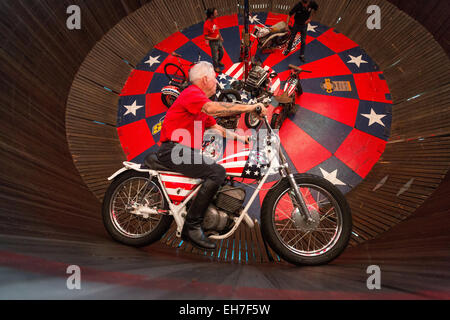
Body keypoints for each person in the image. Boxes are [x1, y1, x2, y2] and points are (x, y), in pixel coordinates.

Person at [156, 61, 267, 250]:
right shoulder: (192, 94)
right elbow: (212, 109)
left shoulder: (198, 104)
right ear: (205, 79)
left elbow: (216, 127)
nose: (216, 83)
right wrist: (250, 108)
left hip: (184, 151)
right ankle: (191, 227)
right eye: (215, 79)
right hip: (173, 150)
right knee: (217, 172)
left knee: (219, 174)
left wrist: (243, 139)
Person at [204, 8, 224, 73]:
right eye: (215, 13)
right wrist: (214, 38)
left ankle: (219, 61)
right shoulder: (206, 25)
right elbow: (206, 37)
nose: (217, 14)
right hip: (213, 43)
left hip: (218, 40)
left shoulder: (215, 19)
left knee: (222, 52)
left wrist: (220, 37)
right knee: (215, 56)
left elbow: (217, 29)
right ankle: (216, 67)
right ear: (211, 15)